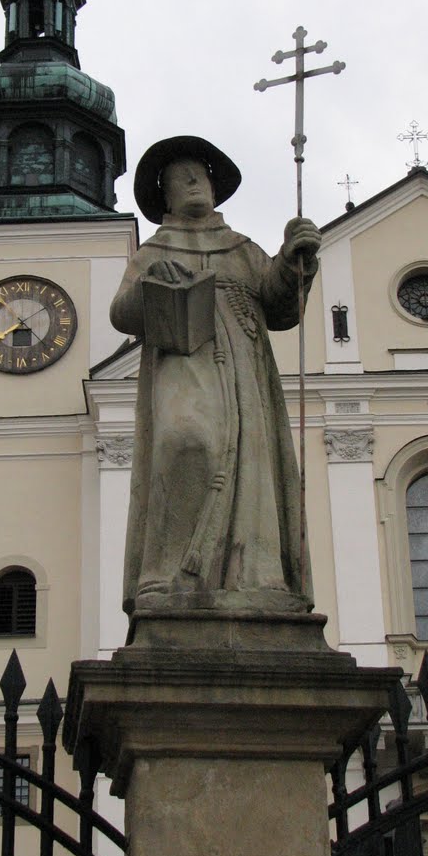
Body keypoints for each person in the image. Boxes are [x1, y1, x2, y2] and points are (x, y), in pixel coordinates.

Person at [110, 136, 321, 613]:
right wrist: (152, 284)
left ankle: (255, 575)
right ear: (165, 195)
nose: (192, 182)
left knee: (252, 465)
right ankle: (164, 573)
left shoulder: (242, 248)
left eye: (198, 173)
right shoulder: (153, 249)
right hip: (184, 365)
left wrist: (293, 259)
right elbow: (122, 313)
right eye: (179, 177)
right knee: (184, 441)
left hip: (245, 374)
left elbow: (281, 305)